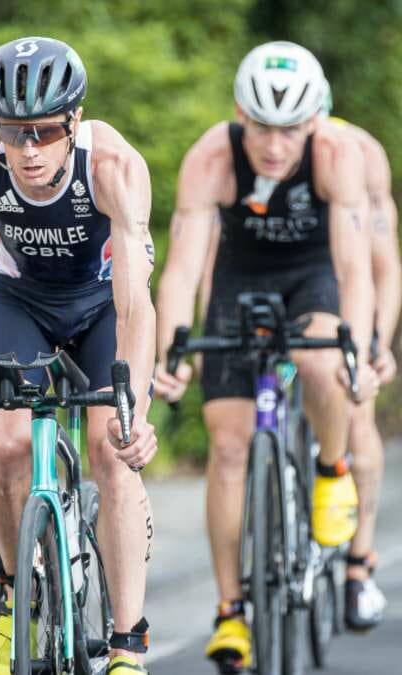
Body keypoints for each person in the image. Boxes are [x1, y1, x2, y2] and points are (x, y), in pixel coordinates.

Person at [0, 37, 158, 674]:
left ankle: (128, 644)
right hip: (20, 300)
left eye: (45, 133)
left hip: (102, 303)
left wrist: (136, 407)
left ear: (73, 120)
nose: (28, 150)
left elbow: (136, 306)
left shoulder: (114, 167)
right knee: (3, 445)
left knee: (112, 449)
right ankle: (17, 592)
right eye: (14, 132)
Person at [154, 41, 379, 671]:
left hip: (314, 278)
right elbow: (181, 267)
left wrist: (353, 348)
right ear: (238, 114)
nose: (274, 147)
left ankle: (332, 470)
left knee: (319, 362)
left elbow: (355, 269)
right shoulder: (210, 158)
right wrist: (173, 345)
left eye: (289, 131)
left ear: (312, 123)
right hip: (238, 282)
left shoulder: (336, 155)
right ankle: (231, 614)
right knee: (227, 445)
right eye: (260, 128)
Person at [319, 105, 398, 631]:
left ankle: (359, 563)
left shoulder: (361, 153)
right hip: (284, 282)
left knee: (358, 408)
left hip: (350, 288)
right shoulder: (260, 149)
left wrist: (379, 342)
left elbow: (384, 263)